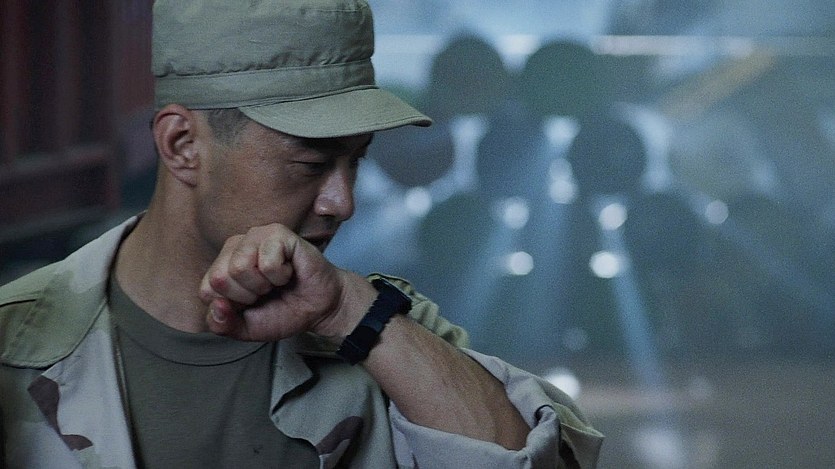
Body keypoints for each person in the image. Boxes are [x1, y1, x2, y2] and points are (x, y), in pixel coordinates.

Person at [0, 1, 603, 467]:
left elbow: (536, 459)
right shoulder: (16, 344)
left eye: (355, 161)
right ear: (182, 146)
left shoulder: (380, 328)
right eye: (311, 165)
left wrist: (349, 312)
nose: (343, 202)